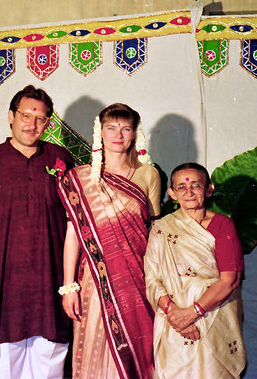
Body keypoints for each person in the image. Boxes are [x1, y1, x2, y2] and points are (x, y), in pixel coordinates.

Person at [0, 85, 74, 378]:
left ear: (48, 123)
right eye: (25, 116)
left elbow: (76, 224)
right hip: (7, 288)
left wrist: (71, 284)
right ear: (11, 117)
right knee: (9, 363)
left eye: (39, 119)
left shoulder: (61, 160)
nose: (31, 124)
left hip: (51, 286)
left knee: (51, 359)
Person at [58, 103, 159, 379]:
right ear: (99, 132)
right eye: (111, 128)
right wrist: (69, 287)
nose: (118, 135)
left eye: (126, 129)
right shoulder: (80, 179)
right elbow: (73, 235)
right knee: (93, 349)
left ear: (135, 134)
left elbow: (155, 232)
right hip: (95, 279)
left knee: (139, 351)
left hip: (138, 278)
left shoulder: (148, 174)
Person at [144, 163, 246, 378]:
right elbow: (152, 279)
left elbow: (229, 280)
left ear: (208, 190)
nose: (188, 192)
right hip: (173, 318)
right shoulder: (161, 229)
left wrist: (193, 313)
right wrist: (176, 316)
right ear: (172, 193)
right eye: (181, 187)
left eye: (196, 185)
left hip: (213, 314)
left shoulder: (223, 225)